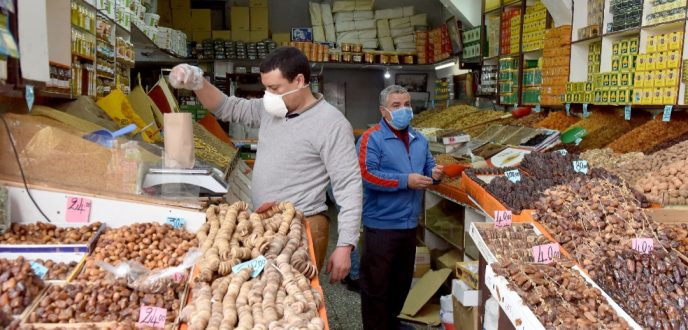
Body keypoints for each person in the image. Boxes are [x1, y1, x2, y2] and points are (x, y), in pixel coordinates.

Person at [168, 47, 362, 283]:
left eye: (275, 88)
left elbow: (348, 185)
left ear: (299, 81)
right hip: (263, 224)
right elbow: (226, 107)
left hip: (300, 227)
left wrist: (345, 244)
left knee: (292, 298)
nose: (268, 95)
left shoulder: (331, 124)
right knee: (261, 293)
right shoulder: (271, 110)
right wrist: (198, 82)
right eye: (266, 88)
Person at [356, 85, 444, 330]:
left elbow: (428, 169)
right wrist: (406, 181)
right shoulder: (371, 138)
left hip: (409, 225)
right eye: (396, 106)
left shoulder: (419, 139)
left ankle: (392, 324)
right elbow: (367, 175)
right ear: (383, 111)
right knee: (376, 287)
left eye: (407, 104)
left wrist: (435, 175)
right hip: (381, 226)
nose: (404, 109)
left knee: (400, 284)